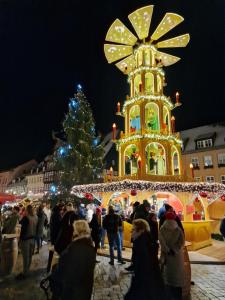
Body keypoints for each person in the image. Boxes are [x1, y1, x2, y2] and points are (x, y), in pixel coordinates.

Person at [50, 220, 96, 300]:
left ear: (77, 231)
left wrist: (55, 268)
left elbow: (65, 273)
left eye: (74, 229)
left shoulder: (74, 248)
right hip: (84, 291)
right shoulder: (90, 246)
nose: (73, 231)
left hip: (72, 293)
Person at [125, 219, 166, 300]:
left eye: (133, 230)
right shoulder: (147, 239)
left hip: (144, 277)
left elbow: (143, 261)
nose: (131, 232)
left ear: (141, 230)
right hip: (149, 276)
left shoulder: (140, 242)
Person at [159, 211, 185, 300]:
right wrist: (175, 250)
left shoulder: (162, 228)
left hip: (166, 255)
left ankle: (167, 296)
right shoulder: (178, 228)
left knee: (167, 276)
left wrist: (167, 250)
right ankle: (177, 296)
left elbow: (161, 240)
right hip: (177, 256)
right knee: (177, 277)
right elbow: (181, 241)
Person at [16, 205, 38, 280]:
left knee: (25, 257)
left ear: (27, 210)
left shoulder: (26, 218)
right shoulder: (36, 217)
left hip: (26, 240)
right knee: (30, 256)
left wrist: (20, 240)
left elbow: (23, 230)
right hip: (33, 239)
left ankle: (25, 273)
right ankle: (27, 270)